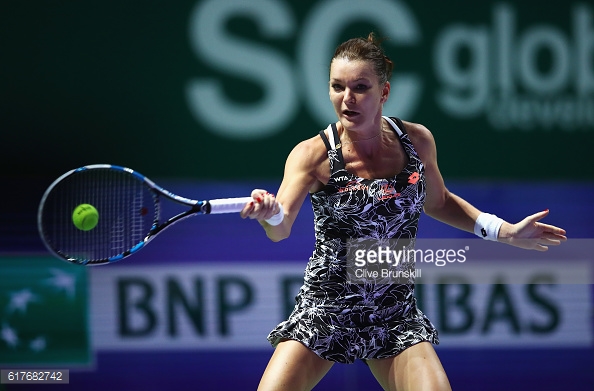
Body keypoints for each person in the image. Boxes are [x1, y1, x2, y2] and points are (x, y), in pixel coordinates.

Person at [240, 33, 567, 391]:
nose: (347, 98)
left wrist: (503, 231)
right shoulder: (311, 155)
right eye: (337, 86)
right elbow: (281, 226)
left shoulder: (416, 141)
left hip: (394, 312)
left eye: (360, 87)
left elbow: (439, 202)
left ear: (384, 92)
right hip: (325, 310)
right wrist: (270, 213)